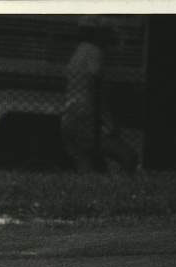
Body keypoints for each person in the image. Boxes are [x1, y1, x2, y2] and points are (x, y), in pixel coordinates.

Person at [62, 15, 139, 173]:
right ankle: (126, 191)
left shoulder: (78, 52)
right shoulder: (95, 53)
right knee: (129, 156)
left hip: (69, 116)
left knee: (86, 163)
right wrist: (108, 123)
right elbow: (96, 91)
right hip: (87, 116)